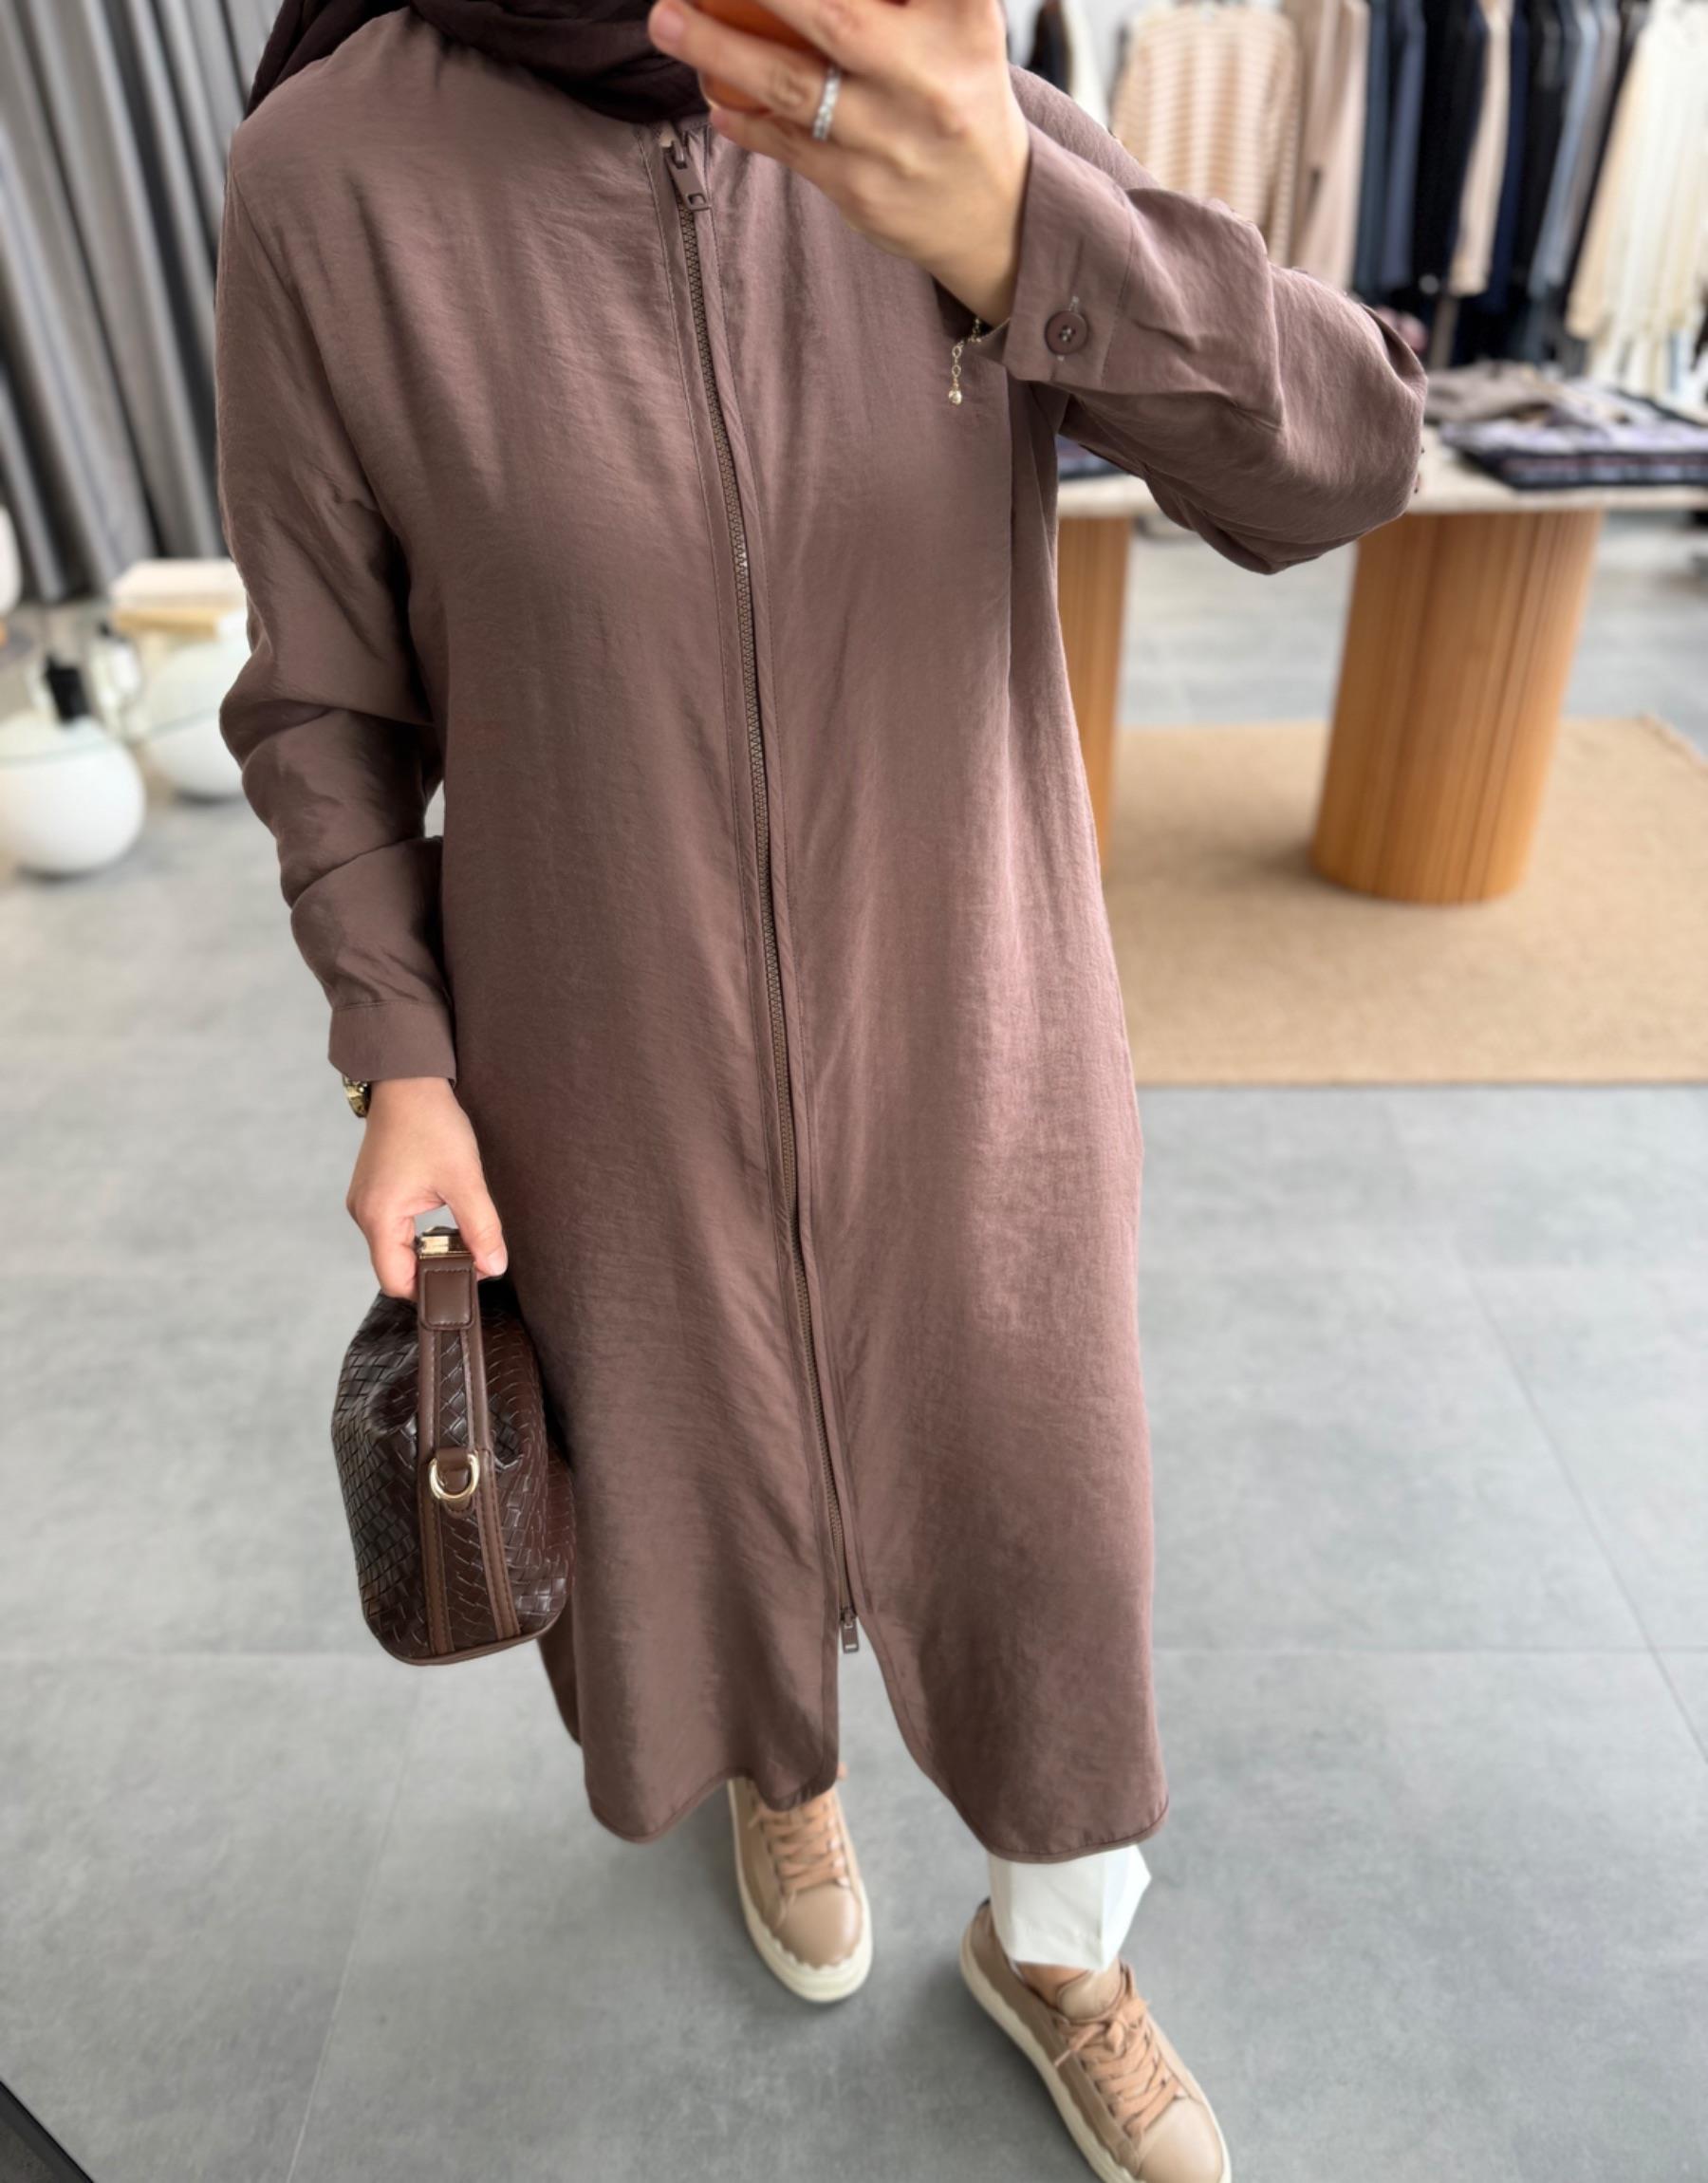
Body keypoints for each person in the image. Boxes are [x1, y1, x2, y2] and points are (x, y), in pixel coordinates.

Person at [215, 3, 1425, 2176]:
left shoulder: (928, 73)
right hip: (605, 1059)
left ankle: (1063, 1951)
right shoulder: (330, 178)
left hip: (976, 1035)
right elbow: (321, 695)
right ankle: (784, 1769)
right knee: (708, 1494)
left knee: (1046, 1521)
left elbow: (1343, 456)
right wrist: (394, 1047)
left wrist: (1028, 224)